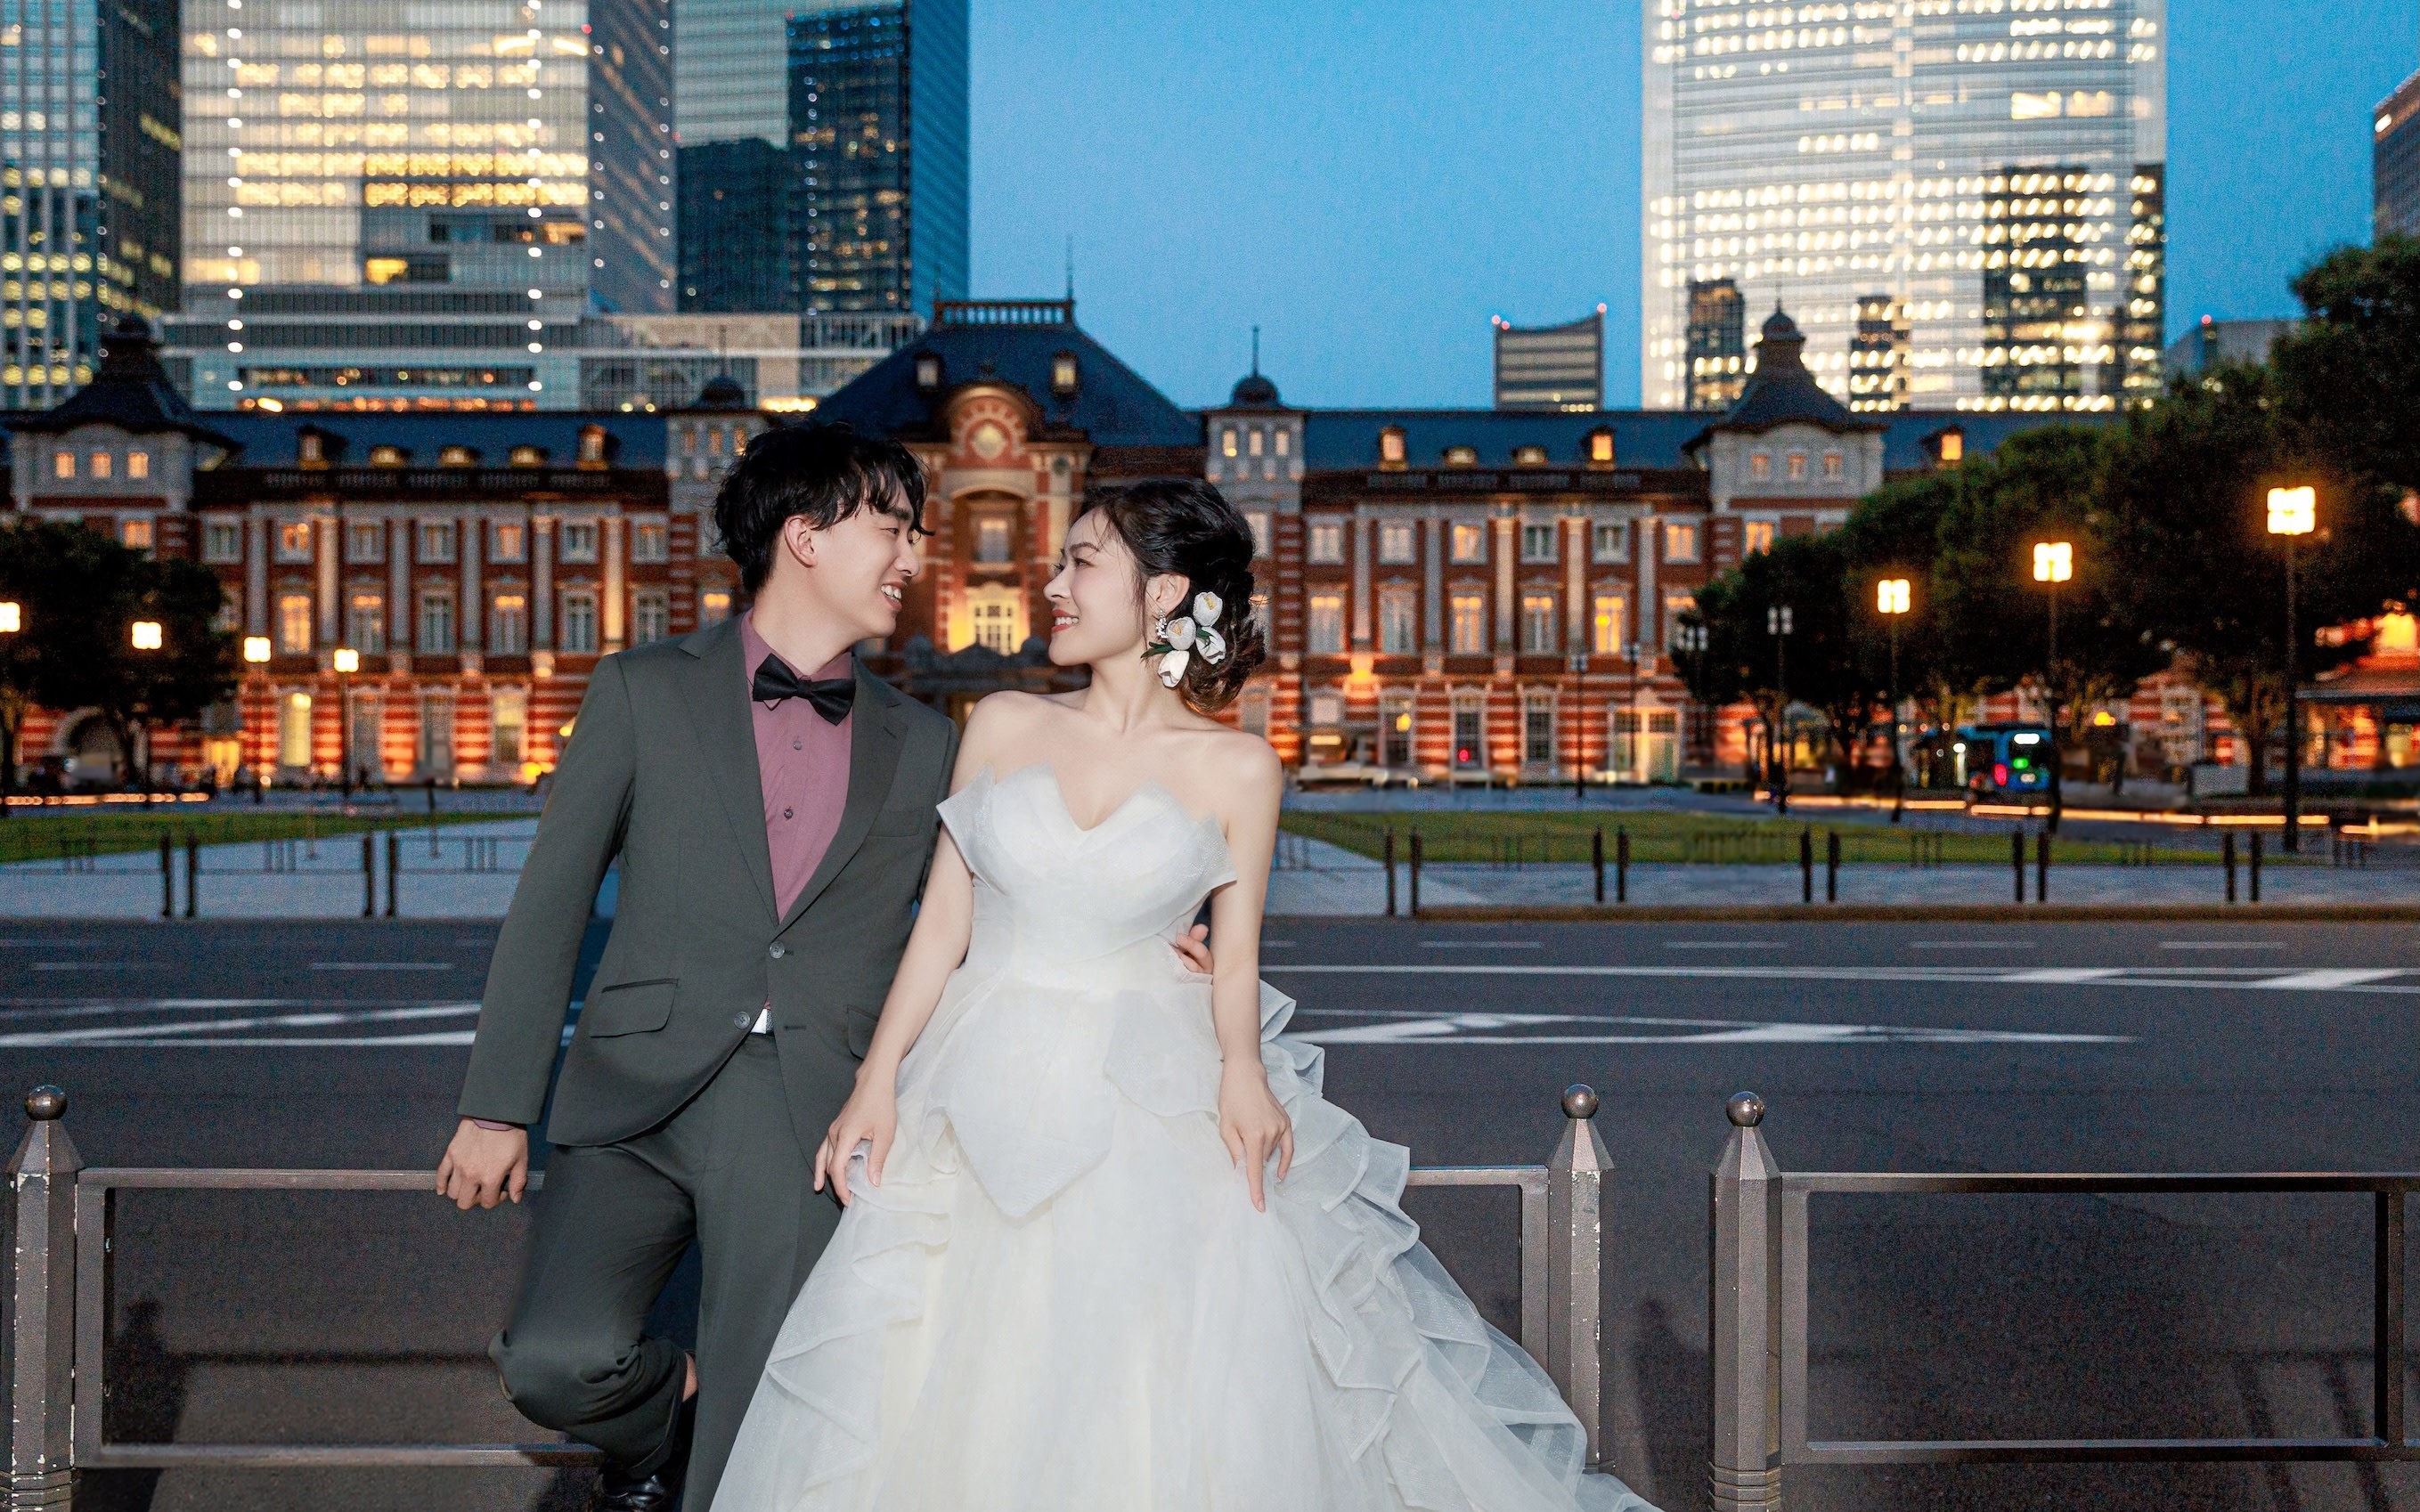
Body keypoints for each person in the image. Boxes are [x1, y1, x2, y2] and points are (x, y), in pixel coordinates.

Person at [713, 478, 1654, 1512]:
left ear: (1161, 593)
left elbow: (1235, 954)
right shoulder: (1001, 721)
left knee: (1156, 1378)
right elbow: (943, 926)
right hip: (974, 1077)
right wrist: (878, 1081)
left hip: (1146, 1093)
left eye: (1080, 563)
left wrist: (1244, 1075)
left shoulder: (1240, 767)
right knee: (951, 1361)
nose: (1051, 583)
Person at [434, 427, 1221, 1512]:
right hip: (629, 1098)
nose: (912, 557)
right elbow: (549, 907)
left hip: (802, 1105)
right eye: (890, 529)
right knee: (553, 1361)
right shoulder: (639, 691)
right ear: (803, 536)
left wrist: (1158, 935)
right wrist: (496, 1106)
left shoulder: (929, 741)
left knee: (770, 1411)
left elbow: (996, 908)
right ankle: (667, 1414)